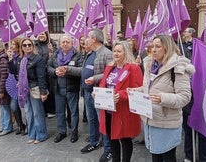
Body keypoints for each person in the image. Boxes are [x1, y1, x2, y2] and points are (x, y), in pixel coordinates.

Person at [129, 35, 195, 162]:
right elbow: (147, 88)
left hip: (167, 123)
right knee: (156, 156)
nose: (153, 49)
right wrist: (136, 91)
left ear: (167, 48)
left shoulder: (178, 68)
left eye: (157, 46)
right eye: (152, 46)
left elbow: (185, 97)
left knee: (168, 157)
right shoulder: (149, 65)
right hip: (150, 120)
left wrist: (162, 98)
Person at [67, 28, 113, 162]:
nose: (86, 39)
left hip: (100, 93)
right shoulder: (90, 53)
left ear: (94, 39)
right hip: (87, 92)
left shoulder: (107, 53)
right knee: (92, 119)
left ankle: (108, 149)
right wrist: (68, 69)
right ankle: (93, 142)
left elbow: (109, 73)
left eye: (89, 37)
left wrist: (94, 78)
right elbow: (84, 70)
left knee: (103, 121)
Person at [98, 41, 143, 162]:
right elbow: (104, 84)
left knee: (125, 139)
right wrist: (97, 93)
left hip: (123, 111)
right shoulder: (110, 67)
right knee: (112, 138)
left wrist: (122, 94)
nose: (116, 53)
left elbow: (138, 89)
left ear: (126, 52)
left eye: (119, 51)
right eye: (114, 51)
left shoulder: (134, 68)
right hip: (108, 110)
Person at [181, 28, 206, 162]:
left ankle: (204, 158)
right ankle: (189, 156)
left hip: (205, 100)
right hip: (189, 99)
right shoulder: (185, 58)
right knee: (188, 130)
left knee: (204, 132)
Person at [47, 35, 83, 143]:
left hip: (72, 89)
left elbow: (81, 69)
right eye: (63, 42)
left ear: (72, 43)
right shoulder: (55, 55)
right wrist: (55, 72)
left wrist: (68, 70)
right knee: (60, 112)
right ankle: (62, 132)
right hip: (58, 89)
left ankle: (74, 132)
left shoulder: (78, 55)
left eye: (67, 42)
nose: (65, 44)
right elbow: (48, 67)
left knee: (73, 112)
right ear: (60, 44)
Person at [18, 38, 48, 144]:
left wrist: (43, 92)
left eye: (29, 44)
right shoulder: (21, 59)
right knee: (28, 114)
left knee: (37, 113)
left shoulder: (38, 59)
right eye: (24, 45)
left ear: (33, 45)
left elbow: (41, 77)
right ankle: (32, 135)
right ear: (21, 47)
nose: (27, 47)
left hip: (35, 89)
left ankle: (41, 135)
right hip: (24, 89)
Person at [35, 31, 57, 118]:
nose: (41, 35)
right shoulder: (35, 45)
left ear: (46, 36)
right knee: (42, 90)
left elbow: (56, 57)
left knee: (50, 91)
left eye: (43, 34)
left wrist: (52, 51)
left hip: (49, 72)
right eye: (39, 34)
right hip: (39, 72)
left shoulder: (52, 44)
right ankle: (43, 110)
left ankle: (51, 110)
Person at [7, 38, 27, 136]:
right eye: (11, 44)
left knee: (27, 107)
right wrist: (10, 60)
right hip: (15, 85)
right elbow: (12, 71)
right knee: (13, 106)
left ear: (18, 46)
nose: (11, 46)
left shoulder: (22, 57)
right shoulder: (13, 57)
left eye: (13, 44)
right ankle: (20, 125)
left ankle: (28, 126)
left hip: (23, 85)